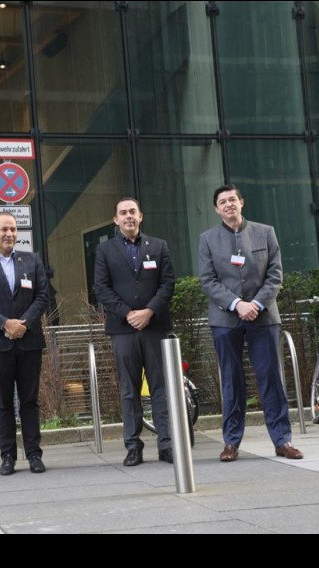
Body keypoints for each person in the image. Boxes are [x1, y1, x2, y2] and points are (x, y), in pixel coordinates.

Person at [198, 185, 303, 462]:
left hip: (263, 316)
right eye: (222, 201)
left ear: (241, 202)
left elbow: (275, 274)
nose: (228, 204)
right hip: (225, 319)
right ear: (216, 209)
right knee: (231, 381)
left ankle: (282, 440)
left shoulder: (265, 232)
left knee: (271, 378)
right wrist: (237, 304)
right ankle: (231, 442)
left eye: (232, 199)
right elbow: (207, 280)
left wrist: (256, 304)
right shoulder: (207, 239)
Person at [94, 198, 176, 466]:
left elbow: (167, 283)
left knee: (161, 388)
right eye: (123, 213)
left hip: (155, 327)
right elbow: (102, 288)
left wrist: (149, 311)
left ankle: (167, 445)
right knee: (129, 391)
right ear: (115, 219)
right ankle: (133, 447)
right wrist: (128, 313)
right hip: (123, 330)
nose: (128, 216)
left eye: (132, 212)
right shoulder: (105, 250)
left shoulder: (159, 246)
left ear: (141, 216)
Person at [0, 212, 50, 476]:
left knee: (29, 401)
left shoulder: (32, 260)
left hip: (29, 341)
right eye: (4, 229)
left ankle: (34, 454)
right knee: (3, 403)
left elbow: (43, 296)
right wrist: (5, 324)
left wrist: (22, 324)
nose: (9, 234)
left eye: (13, 229)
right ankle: (7, 457)